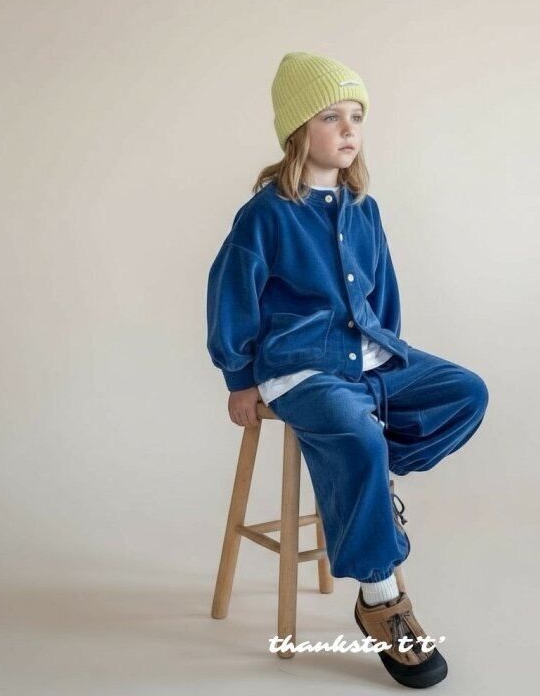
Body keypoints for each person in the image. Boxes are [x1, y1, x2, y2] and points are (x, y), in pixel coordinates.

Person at [206, 51, 489, 688]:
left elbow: (384, 294)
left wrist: (389, 351)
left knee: (466, 391)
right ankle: (381, 601)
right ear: (298, 130)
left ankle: (367, 480)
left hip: (371, 360)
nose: (348, 128)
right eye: (331, 117)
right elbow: (229, 295)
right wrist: (238, 377)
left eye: (356, 116)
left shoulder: (365, 208)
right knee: (357, 437)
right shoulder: (266, 214)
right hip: (300, 371)